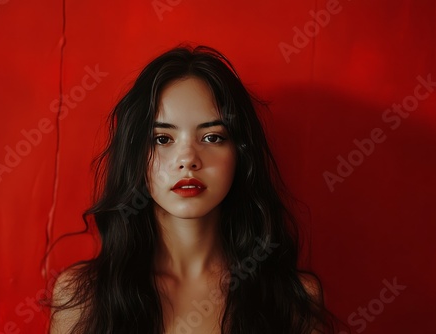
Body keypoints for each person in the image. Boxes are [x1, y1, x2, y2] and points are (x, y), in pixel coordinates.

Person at [49, 45, 336, 333]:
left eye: (212, 137)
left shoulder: (293, 299)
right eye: (162, 139)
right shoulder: (82, 298)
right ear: (134, 154)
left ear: (240, 154)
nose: (188, 159)